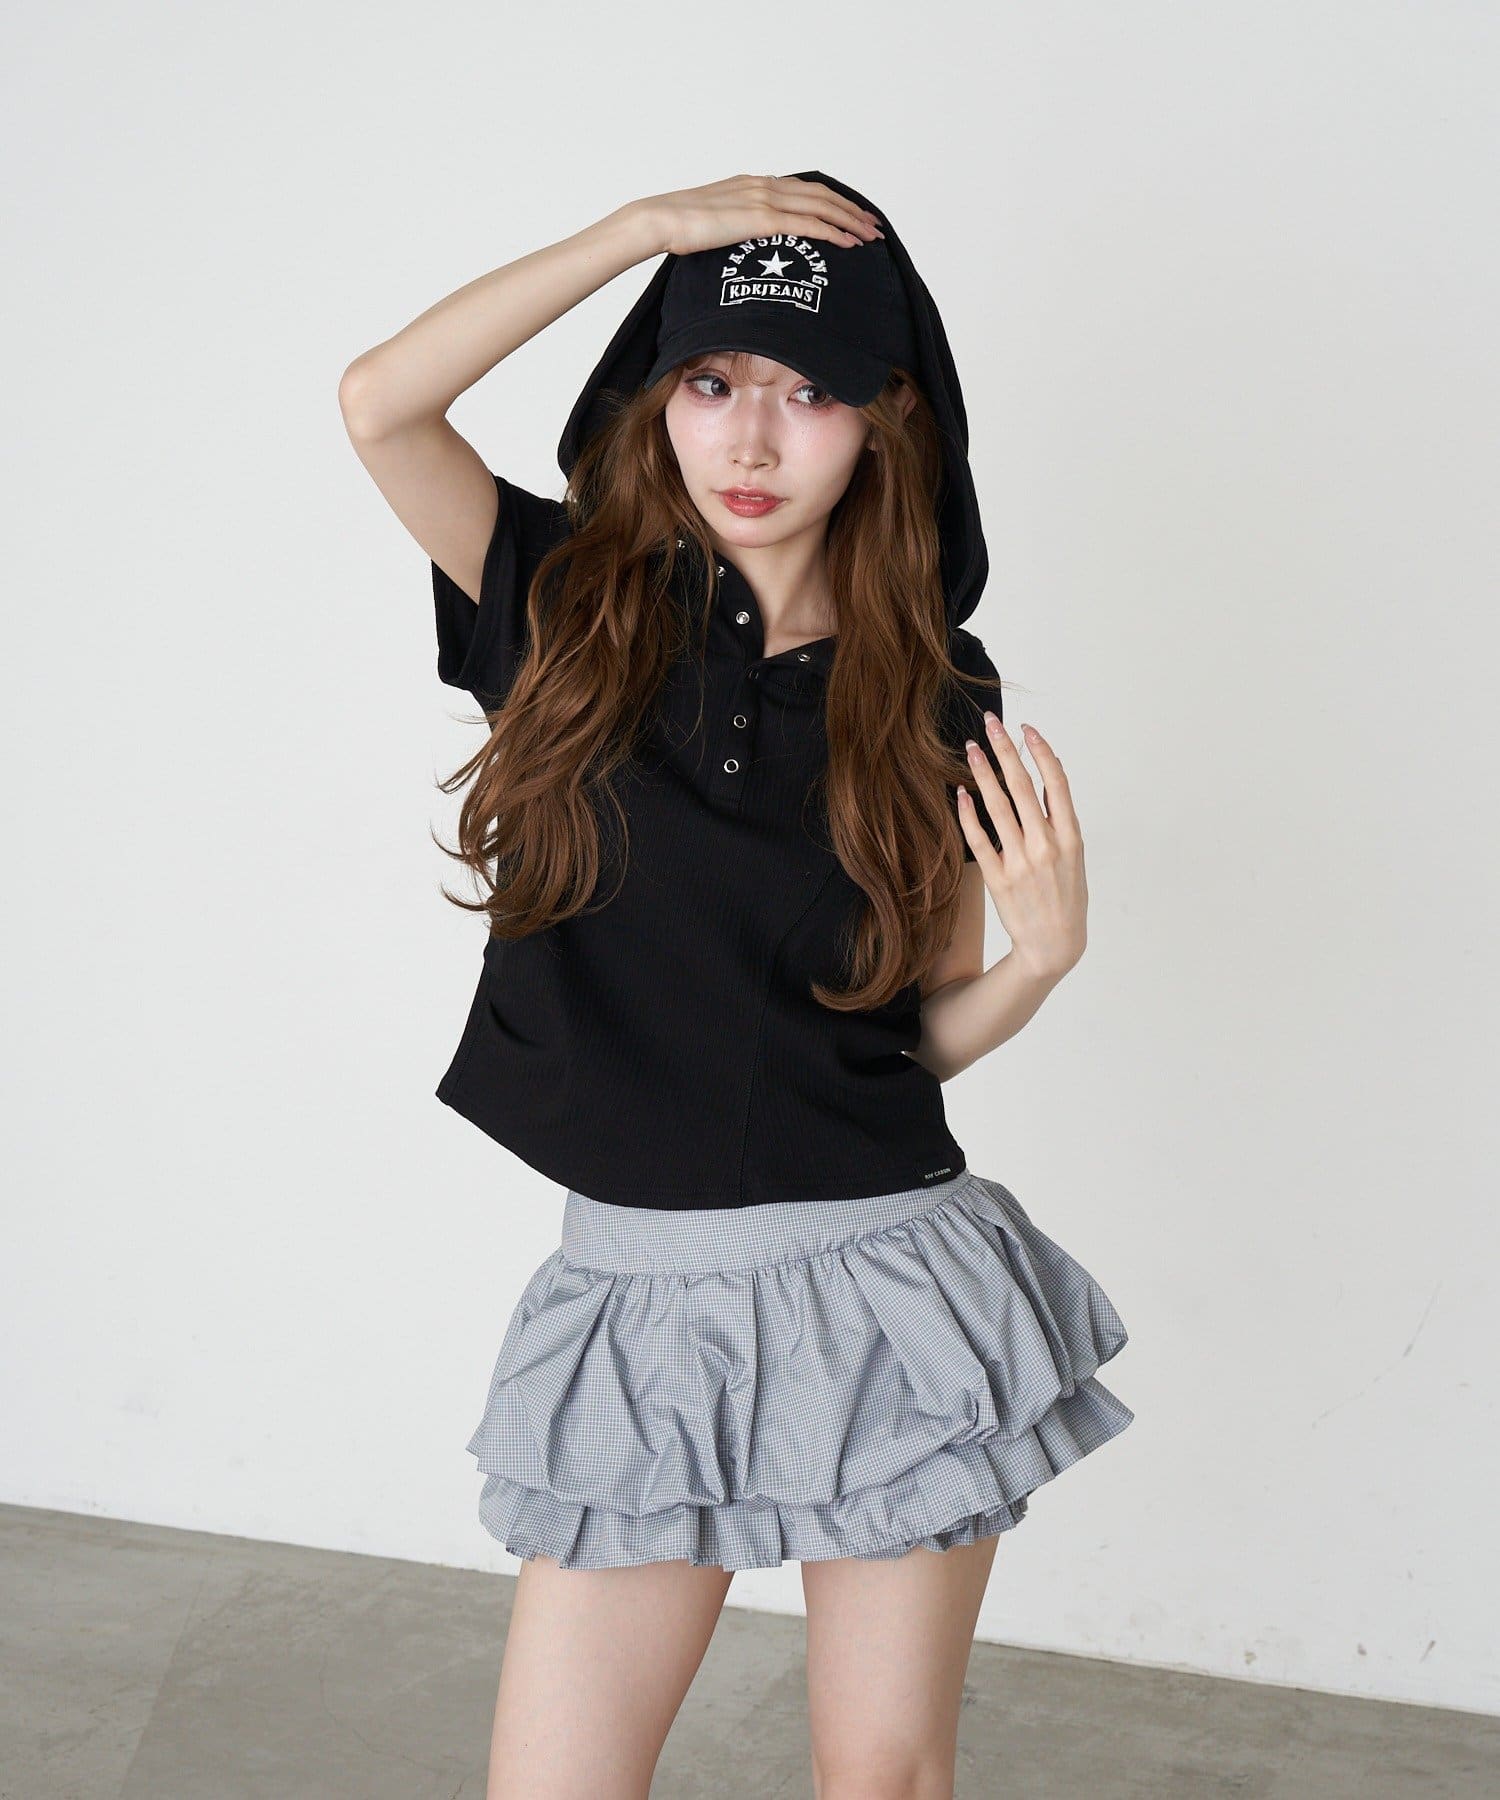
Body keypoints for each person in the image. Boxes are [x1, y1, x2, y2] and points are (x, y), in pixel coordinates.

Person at [340, 170, 1133, 1800]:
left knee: (882, 1777)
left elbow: (909, 1036)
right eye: (711, 381)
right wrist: (643, 234)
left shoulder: (937, 691)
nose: (751, 442)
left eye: (809, 394)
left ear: (886, 421)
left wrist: (1042, 964)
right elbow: (379, 402)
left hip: (886, 1287)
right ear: (659, 395)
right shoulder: (562, 602)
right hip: (634, 1302)